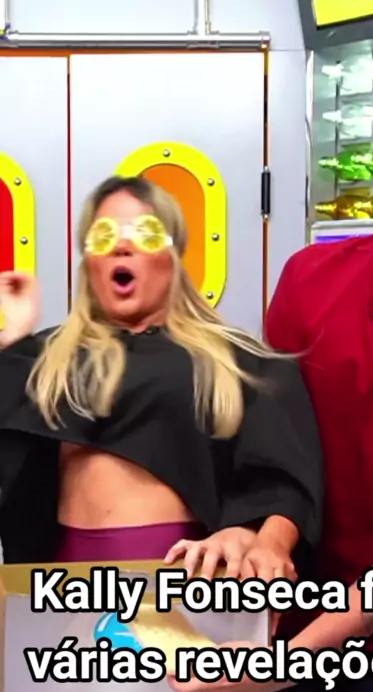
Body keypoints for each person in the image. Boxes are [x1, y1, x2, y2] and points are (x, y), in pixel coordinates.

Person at [170, 91, 373, 692]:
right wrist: (249, 533)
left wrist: (283, 666)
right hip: (281, 618)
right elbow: (268, 448)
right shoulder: (310, 276)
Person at [0, 176, 323, 593]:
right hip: (63, 588)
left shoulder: (240, 362)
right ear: (88, 262)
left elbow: (286, 481)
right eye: (104, 235)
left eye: (145, 233)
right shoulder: (45, 360)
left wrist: (263, 541)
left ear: (173, 255)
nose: (122, 246)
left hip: (186, 580)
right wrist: (11, 341)